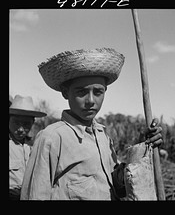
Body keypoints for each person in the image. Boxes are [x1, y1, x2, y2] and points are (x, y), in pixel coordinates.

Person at [20, 48, 163, 200]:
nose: (90, 101)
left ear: (105, 91)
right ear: (65, 92)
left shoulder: (103, 136)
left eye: (98, 92)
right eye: (81, 92)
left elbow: (117, 186)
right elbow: (34, 196)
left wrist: (145, 150)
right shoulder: (51, 138)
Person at [9, 95, 46, 200]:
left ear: (32, 123)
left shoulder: (35, 146)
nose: (20, 129)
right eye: (16, 123)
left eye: (26, 124)